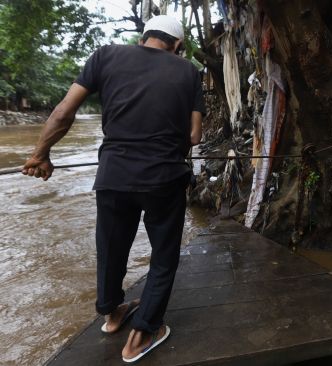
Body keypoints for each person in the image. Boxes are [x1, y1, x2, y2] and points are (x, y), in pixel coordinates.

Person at [22, 15, 204, 363]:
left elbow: (63, 112)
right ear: (177, 46)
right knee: (164, 257)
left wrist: (39, 155)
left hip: (113, 176)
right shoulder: (188, 72)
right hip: (164, 178)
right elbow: (194, 136)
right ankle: (143, 332)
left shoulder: (105, 55)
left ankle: (111, 313)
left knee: (111, 247)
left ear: (143, 38)